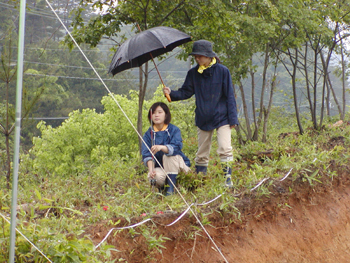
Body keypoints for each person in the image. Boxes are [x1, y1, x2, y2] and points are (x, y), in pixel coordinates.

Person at [163, 39, 238, 187]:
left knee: (225, 148)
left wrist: (233, 119)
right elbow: (186, 92)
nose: (197, 58)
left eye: (200, 56)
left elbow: (230, 95)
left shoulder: (223, 71)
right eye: (195, 56)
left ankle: (227, 180)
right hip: (203, 117)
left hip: (222, 117)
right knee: (202, 153)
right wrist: (171, 93)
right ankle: (200, 182)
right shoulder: (193, 73)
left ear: (209, 56)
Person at [142, 102, 191, 196]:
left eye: (160, 112)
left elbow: (176, 147)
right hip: (161, 168)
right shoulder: (148, 134)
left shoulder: (174, 130)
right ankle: (163, 188)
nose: (156, 115)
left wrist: (162, 148)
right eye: (154, 113)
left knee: (168, 156)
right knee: (154, 176)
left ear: (166, 115)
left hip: (179, 166)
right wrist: (151, 170)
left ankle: (170, 189)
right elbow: (147, 154)